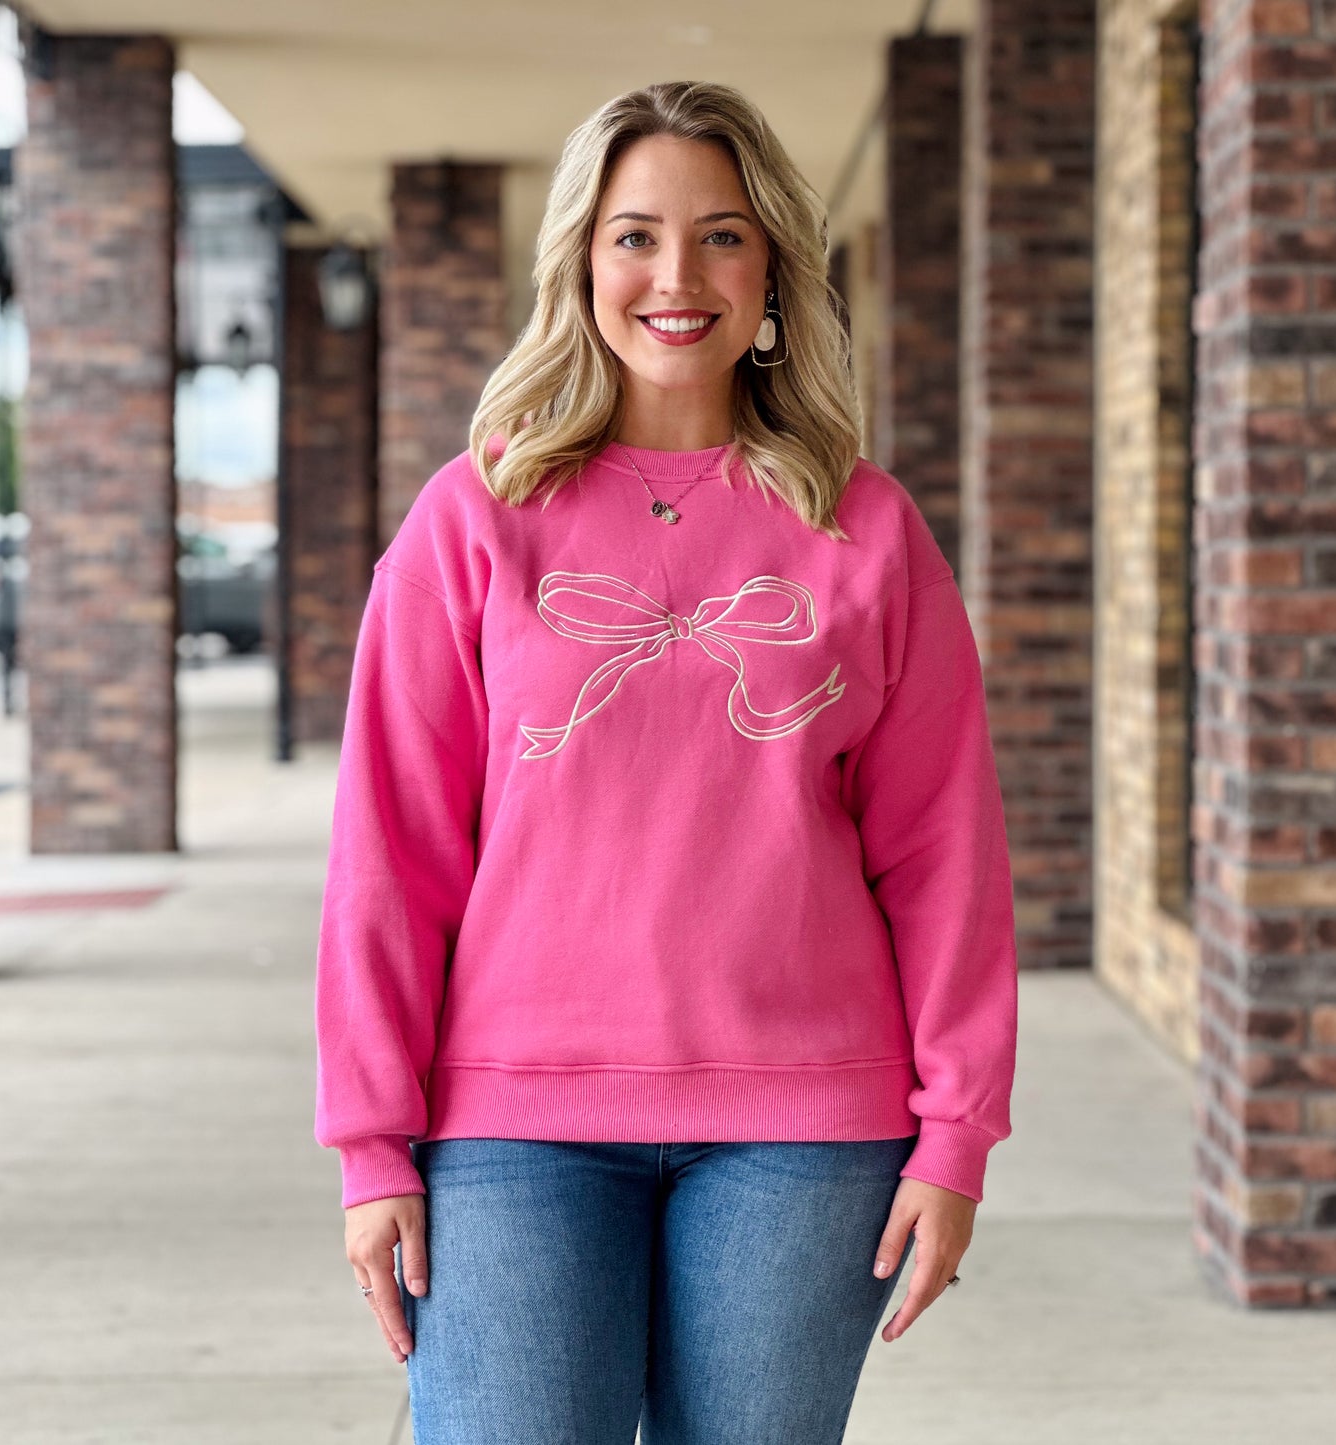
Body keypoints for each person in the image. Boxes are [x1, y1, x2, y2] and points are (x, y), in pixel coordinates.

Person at [314, 79, 1018, 1445]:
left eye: (721, 236)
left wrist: (957, 1131)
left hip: (807, 1130)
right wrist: (368, 1143)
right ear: (582, 259)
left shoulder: (862, 529)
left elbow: (942, 852)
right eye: (634, 234)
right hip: (510, 1125)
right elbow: (390, 853)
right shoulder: (475, 519)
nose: (674, 277)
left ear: (772, 273)